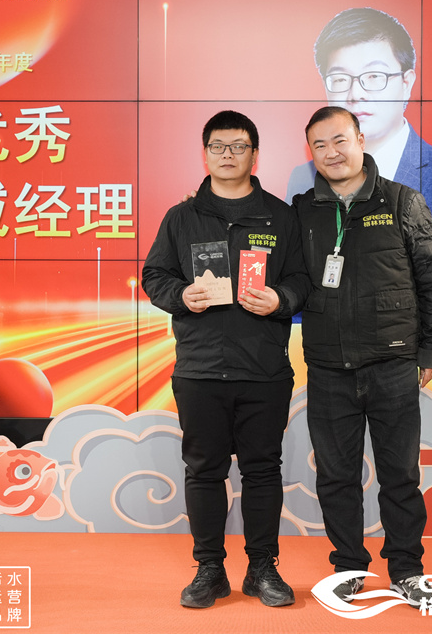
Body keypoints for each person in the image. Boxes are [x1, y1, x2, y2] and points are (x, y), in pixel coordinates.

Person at [142, 110, 310, 609]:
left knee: (263, 470)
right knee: (203, 471)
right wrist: (180, 295)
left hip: (264, 369)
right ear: (205, 154)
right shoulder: (181, 217)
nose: (228, 155)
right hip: (199, 369)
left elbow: (302, 279)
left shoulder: (281, 216)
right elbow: (155, 276)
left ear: (254, 154)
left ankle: (262, 569)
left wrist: (281, 299)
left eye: (238, 146)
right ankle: (209, 570)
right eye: (218, 146)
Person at [292, 105, 432, 607]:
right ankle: (349, 568)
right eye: (319, 145)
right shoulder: (302, 210)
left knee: (400, 475)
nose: (331, 152)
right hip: (327, 368)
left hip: (393, 364)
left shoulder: (403, 202)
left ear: (361, 139)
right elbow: (276, 264)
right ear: (310, 153)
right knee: (336, 478)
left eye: (340, 140)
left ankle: (407, 569)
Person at [286, 6, 432, 325]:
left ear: (407, 82)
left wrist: (394, 343)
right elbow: (296, 285)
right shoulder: (303, 177)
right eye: (340, 79)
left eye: (374, 77)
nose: (356, 94)